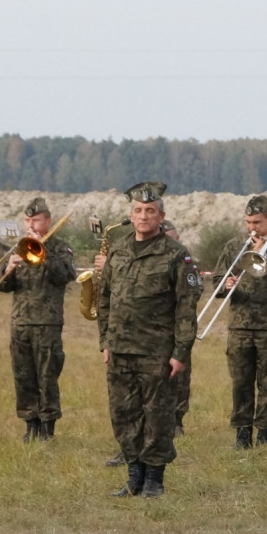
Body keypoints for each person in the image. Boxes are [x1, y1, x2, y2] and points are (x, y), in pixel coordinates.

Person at [98, 182, 201, 498]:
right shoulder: (118, 250)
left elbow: (186, 308)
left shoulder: (176, 256)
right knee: (124, 413)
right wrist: (105, 341)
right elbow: (104, 299)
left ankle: (154, 480)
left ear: (161, 216)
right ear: (131, 215)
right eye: (139, 211)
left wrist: (180, 351)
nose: (144, 217)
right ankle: (134, 476)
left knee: (157, 416)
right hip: (120, 350)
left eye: (150, 211)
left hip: (157, 351)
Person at [215, 195, 267, 448]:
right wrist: (225, 283)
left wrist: (266, 258)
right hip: (240, 326)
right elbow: (217, 281)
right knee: (240, 382)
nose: (252, 228)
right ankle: (242, 434)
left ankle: (264, 434)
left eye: (257, 222)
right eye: (248, 222)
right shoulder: (233, 246)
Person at [0, 197, 77, 442]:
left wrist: (44, 252)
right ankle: (30, 424)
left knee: (47, 376)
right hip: (20, 323)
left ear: (48, 221)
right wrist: (8, 269)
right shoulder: (18, 247)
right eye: (28, 220)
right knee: (23, 375)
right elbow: (2, 287)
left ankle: (48, 427)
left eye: (36, 220)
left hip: (47, 323)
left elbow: (66, 275)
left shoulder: (61, 248)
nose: (31, 224)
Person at [159, 220, 201, 438]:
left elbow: (195, 290)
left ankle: (177, 420)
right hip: (154, 329)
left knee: (181, 376)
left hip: (179, 326)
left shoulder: (186, 261)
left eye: (172, 238)